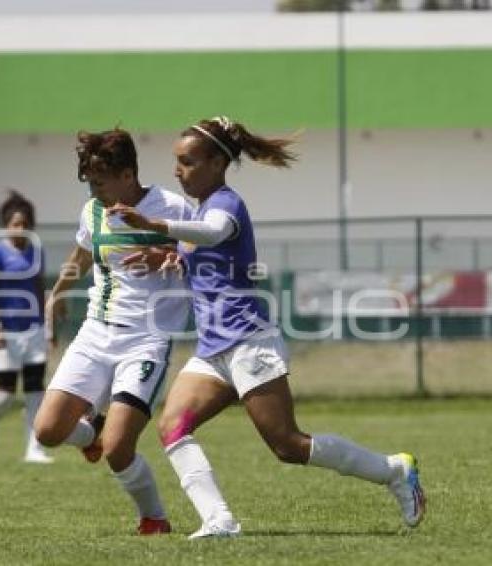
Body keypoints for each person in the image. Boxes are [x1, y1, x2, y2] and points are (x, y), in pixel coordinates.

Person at [108, 116, 426, 538]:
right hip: (212, 349)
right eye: (176, 161)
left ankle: (393, 471)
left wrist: (156, 226)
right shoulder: (201, 209)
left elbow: (214, 233)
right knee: (173, 425)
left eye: (186, 161)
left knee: (288, 446)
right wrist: (170, 256)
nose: (177, 170)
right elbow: (203, 250)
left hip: (248, 342)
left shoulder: (226, 204)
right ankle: (218, 520)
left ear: (217, 164)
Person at [33, 128, 193, 535]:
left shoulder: (172, 207)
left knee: (118, 449)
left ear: (128, 174)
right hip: (95, 332)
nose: (94, 190)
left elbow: (208, 253)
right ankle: (90, 433)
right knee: (47, 431)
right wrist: (57, 294)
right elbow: (83, 253)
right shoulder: (93, 211)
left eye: (100, 181)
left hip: (146, 339)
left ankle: (153, 518)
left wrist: (171, 255)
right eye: (89, 182)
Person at [0, 190, 54, 464]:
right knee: (5, 394)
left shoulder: (37, 251)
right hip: (4, 331)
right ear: (6, 225)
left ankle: (34, 449)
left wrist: (49, 325)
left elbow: (39, 289)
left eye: (25, 223)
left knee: (35, 391)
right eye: (15, 223)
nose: (20, 228)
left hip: (34, 329)